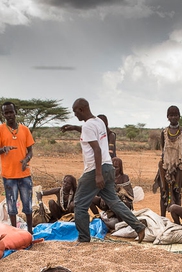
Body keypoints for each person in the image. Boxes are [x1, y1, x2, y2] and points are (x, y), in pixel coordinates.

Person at [61, 98, 146, 243]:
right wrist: (75, 128)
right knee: (114, 201)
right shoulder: (98, 122)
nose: (75, 115)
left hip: (95, 169)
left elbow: (97, 149)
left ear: (81, 110)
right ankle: (138, 227)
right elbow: (91, 134)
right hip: (108, 167)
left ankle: (83, 239)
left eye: (75, 112)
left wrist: (98, 174)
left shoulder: (88, 126)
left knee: (80, 205)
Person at [0, 102, 35, 232]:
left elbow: (30, 151)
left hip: (24, 173)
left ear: (15, 112)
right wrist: (4, 149)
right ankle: (14, 231)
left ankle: (30, 231)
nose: (9, 115)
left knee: (27, 204)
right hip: (9, 175)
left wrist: (26, 159)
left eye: (11, 112)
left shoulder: (25, 130)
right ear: (3, 114)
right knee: (11, 205)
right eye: (6, 113)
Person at [154, 106, 182, 216]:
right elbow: (163, 149)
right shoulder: (164, 132)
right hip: (165, 166)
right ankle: (163, 218)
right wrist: (168, 164)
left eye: (176, 115)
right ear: (167, 117)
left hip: (179, 167)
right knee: (163, 192)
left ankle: (177, 219)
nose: (173, 117)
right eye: (171, 115)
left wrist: (177, 162)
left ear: (179, 116)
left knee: (177, 192)